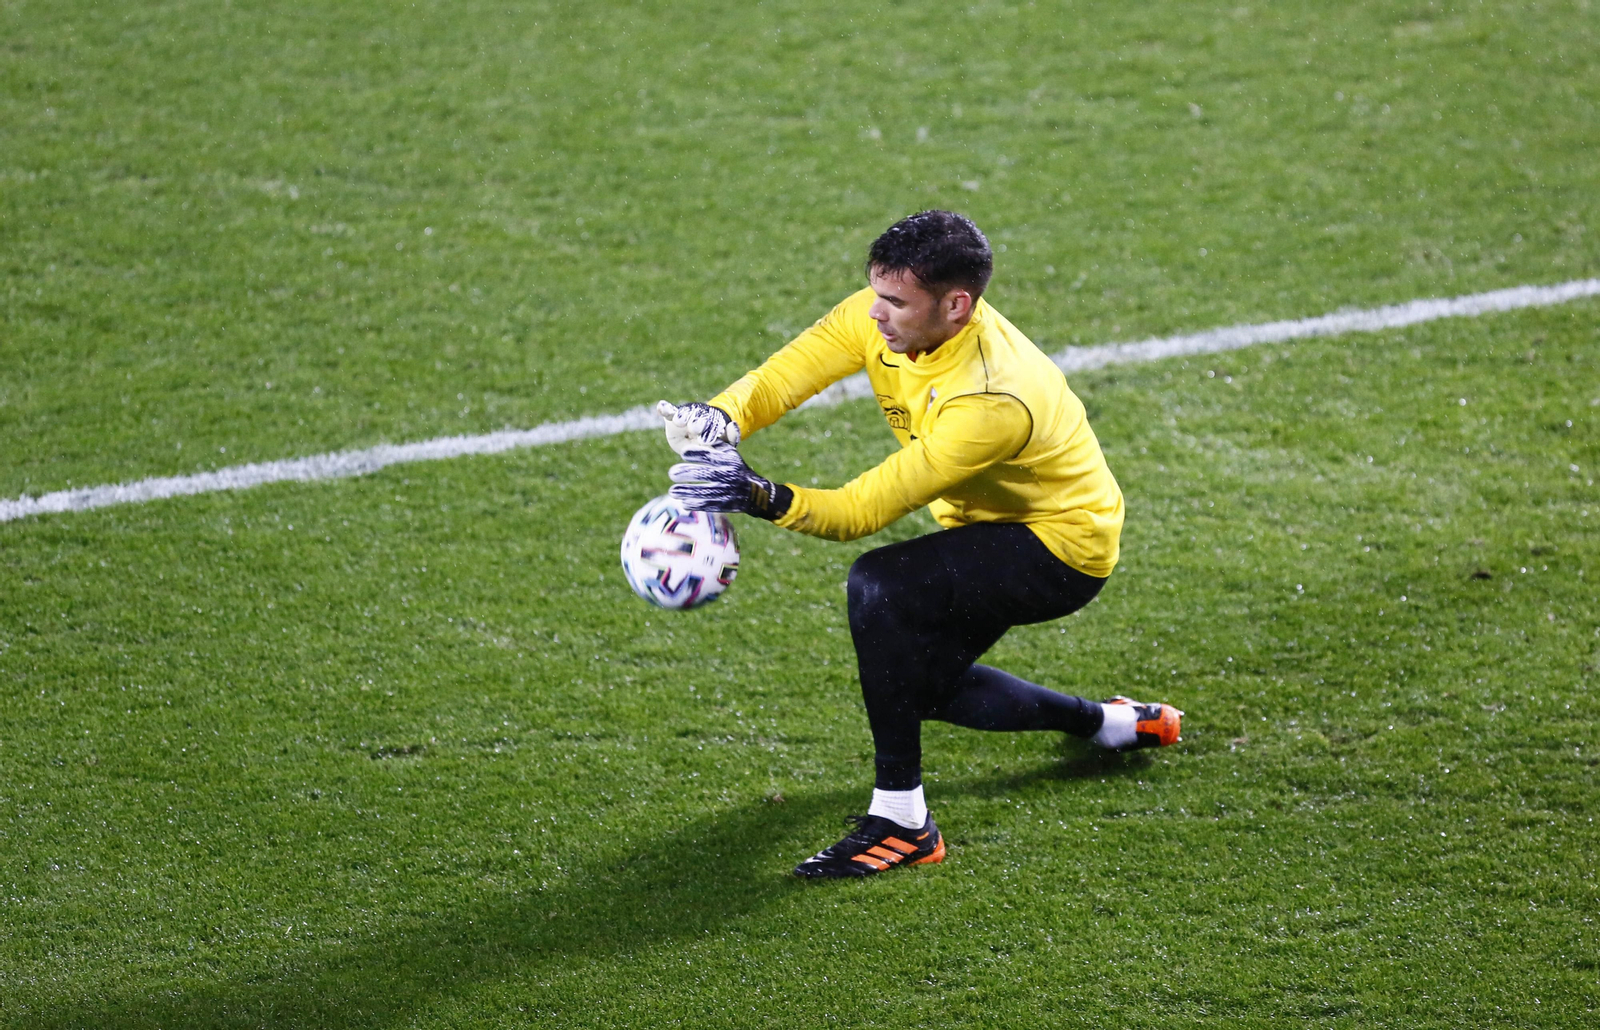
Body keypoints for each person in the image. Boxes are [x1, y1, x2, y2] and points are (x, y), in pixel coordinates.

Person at [658, 210, 1181, 879]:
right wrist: (723, 415)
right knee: (921, 689)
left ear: (955, 306)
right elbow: (791, 372)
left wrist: (759, 494)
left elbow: (861, 509)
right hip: (986, 526)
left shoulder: (993, 397)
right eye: (876, 293)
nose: (875, 314)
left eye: (896, 302)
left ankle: (902, 820)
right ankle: (1104, 724)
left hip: (1059, 548)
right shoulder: (883, 315)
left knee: (883, 584)